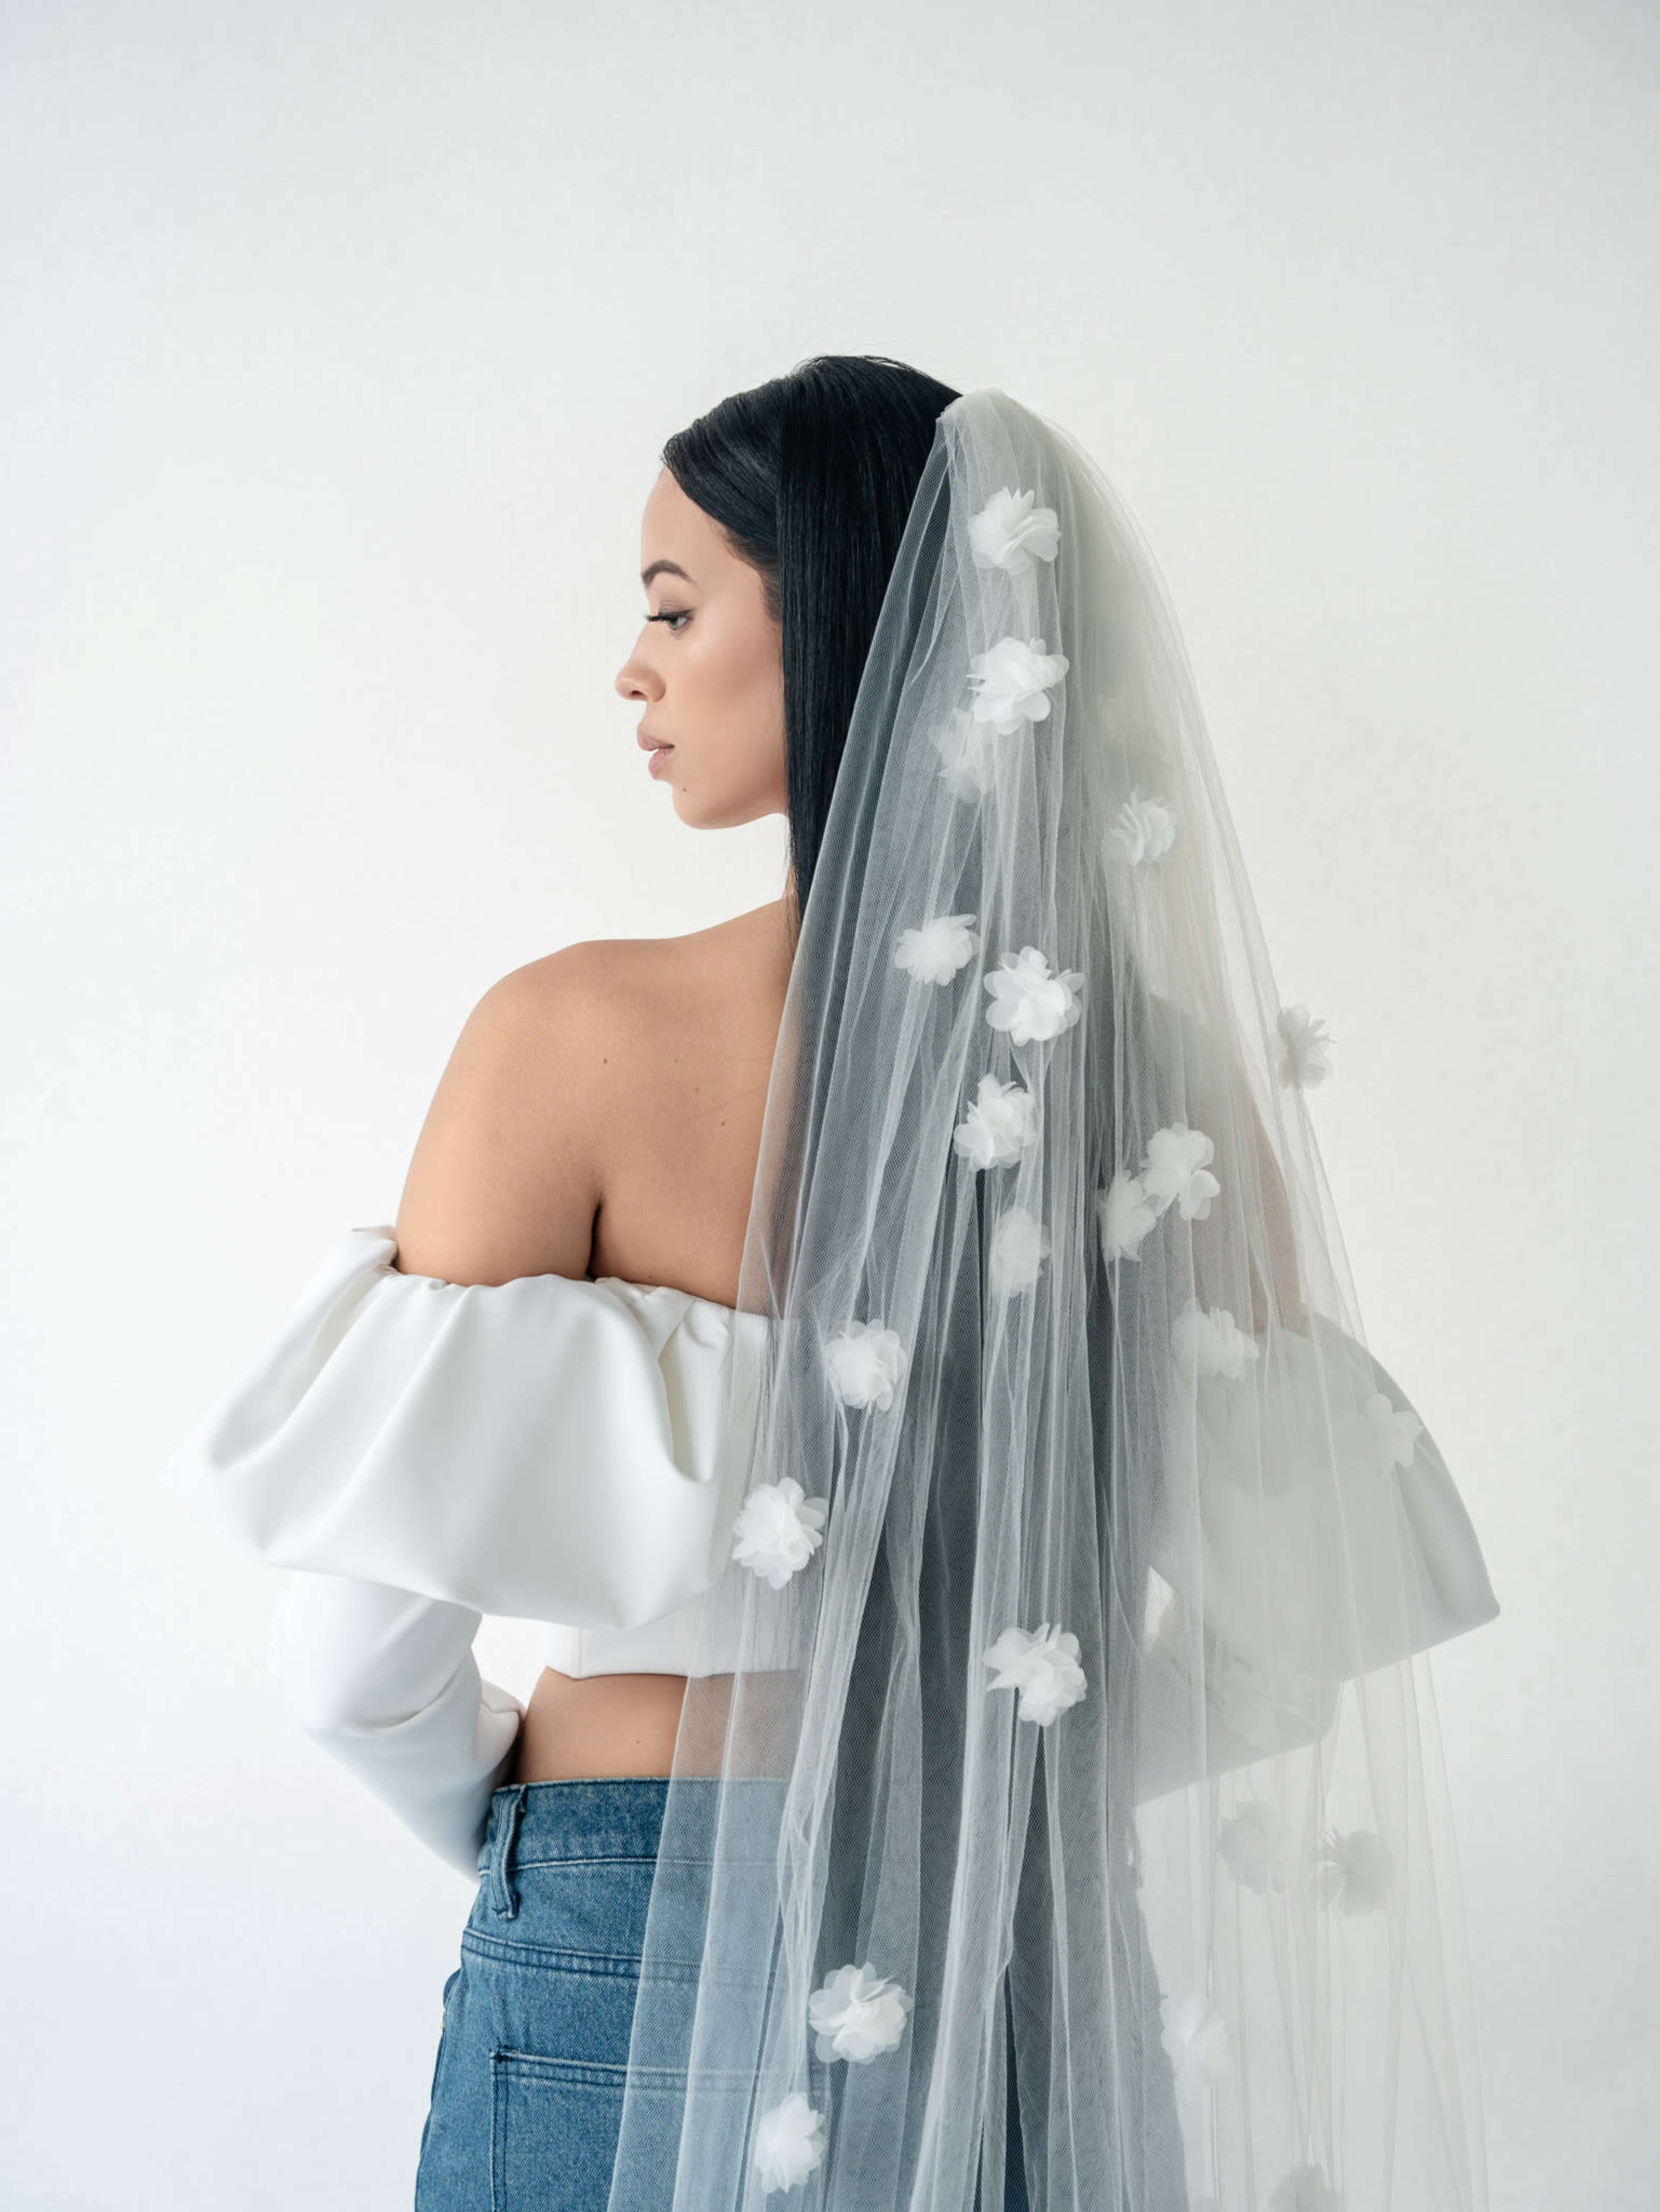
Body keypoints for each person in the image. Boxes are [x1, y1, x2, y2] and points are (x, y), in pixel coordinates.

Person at [160, 357, 1500, 2212]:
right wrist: (1012, 1794)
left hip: (642, 1918)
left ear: (847, 617)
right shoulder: (1150, 1080)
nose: (631, 668)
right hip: (1028, 1941)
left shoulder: (570, 1037)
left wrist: (544, 1824)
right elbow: (1291, 1640)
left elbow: (350, 1660)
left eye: (672, 605)